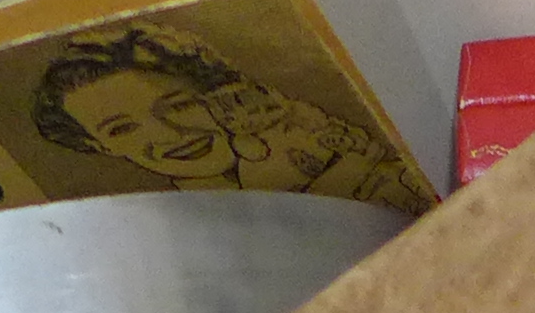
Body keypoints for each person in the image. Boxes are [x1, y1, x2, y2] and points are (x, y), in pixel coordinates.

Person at [27, 22, 425, 212]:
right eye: (122, 128)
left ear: (216, 93)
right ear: (99, 146)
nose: (171, 133)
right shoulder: (177, 227)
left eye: (180, 105)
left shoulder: (314, 139)